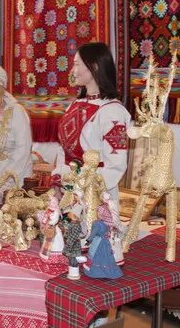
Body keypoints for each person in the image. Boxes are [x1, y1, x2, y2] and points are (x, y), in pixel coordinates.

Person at [56, 42, 131, 206]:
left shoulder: (113, 112)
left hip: (97, 197)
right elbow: (63, 149)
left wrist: (83, 188)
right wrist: (59, 176)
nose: (72, 71)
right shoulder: (74, 105)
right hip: (68, 192)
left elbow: (116, 165)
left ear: (94, 67)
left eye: (77, 64)